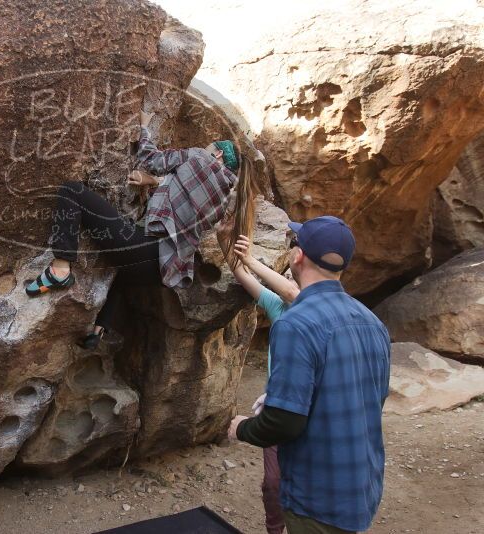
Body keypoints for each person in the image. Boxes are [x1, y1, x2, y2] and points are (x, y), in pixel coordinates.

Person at [25, 109, 261, 349]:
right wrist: (152, 182)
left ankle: (60, 269)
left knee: (71, 191)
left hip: (146, 248)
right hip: (161, 270)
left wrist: (145, 127)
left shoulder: (200, 157)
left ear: (217, 154)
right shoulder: (224, 195)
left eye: (210, 147)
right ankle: (99, 329)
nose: (205, 148)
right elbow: (182, 190)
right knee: (124, 271)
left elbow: (152, 159)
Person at [228, 216, 391, 534]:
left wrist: (241, 429)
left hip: (317, 496)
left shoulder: (295, 324)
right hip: (362, 488)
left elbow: (284, 421)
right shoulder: (373, 322)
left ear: (297, 256)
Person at [215, 224, 299, 534]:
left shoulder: (310, 306)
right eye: (286, 274)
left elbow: (294, 292)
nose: (288, 278)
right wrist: (226, 243)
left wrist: (251, 259)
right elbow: (242, 277)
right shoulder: (279, 308)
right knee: (272, 483)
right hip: (275, 405)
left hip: (302, 411)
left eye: (291, 274)